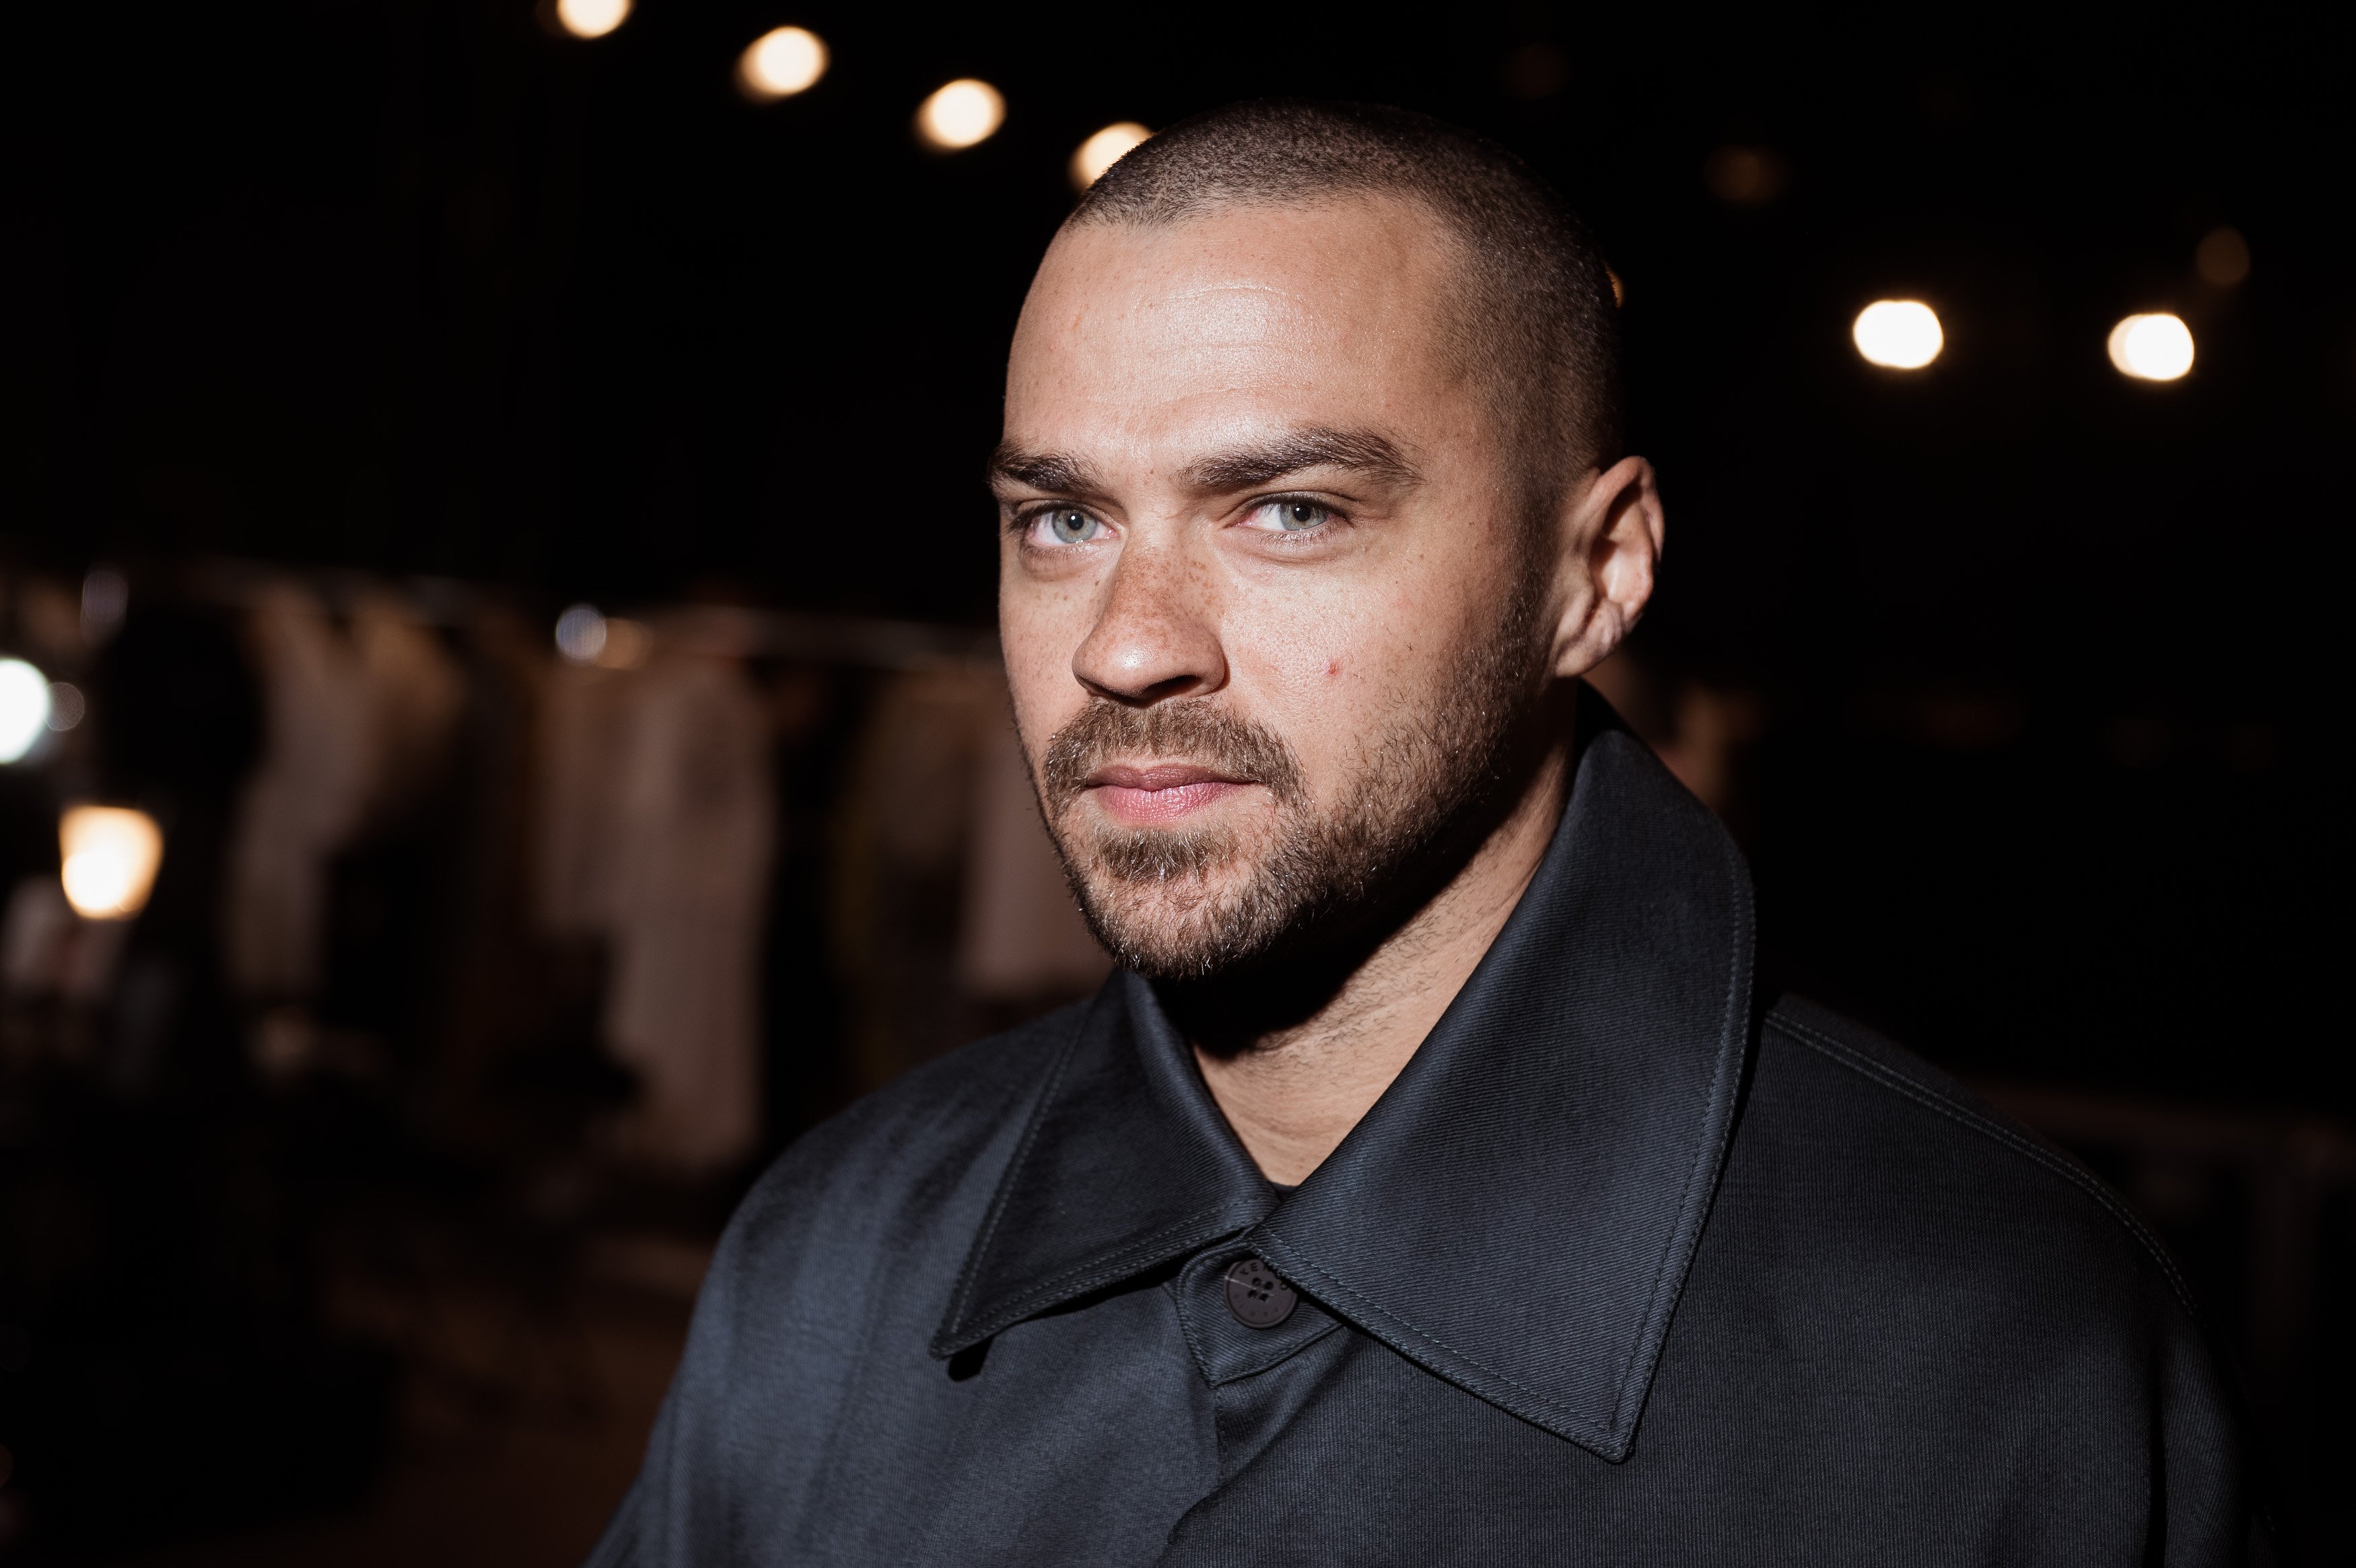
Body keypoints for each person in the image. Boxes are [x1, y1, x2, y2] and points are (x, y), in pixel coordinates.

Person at [588, 100, 2262, 1565]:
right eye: (1063, 517)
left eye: (1290, 510)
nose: (1123, 640)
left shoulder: (1993, 1355)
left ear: (1593, 573)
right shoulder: (839, 1251)